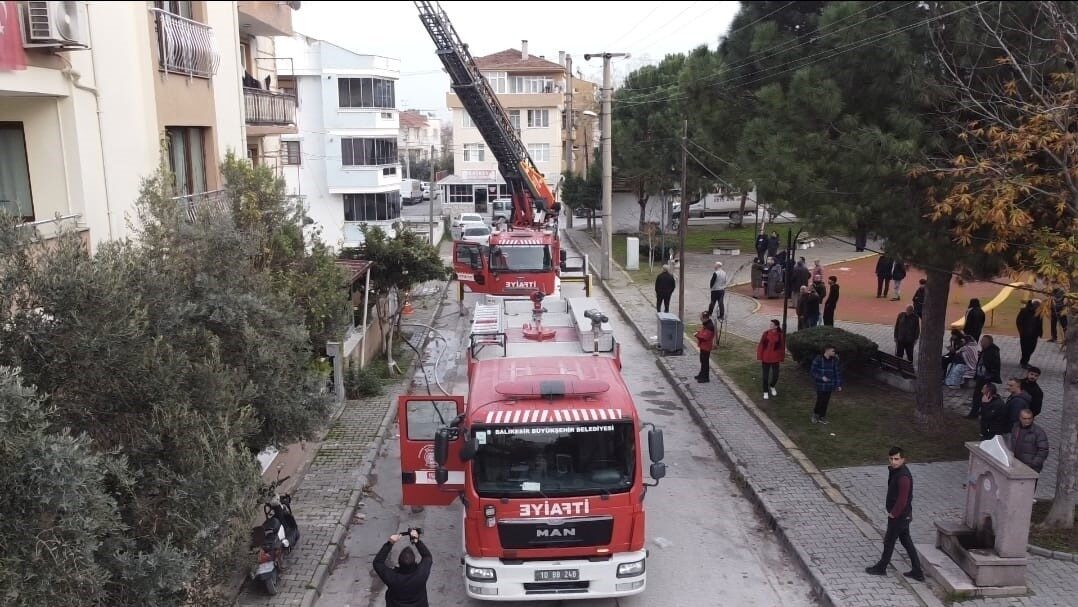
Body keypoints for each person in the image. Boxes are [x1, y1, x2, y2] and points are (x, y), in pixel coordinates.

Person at [865, 447, 925, 582]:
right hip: (904, 516)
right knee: (906, 541)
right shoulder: (896, 471)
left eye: (896, 459)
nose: (893, 462)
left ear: (903, 459)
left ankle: (881, 567)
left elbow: (902, 499)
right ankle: (917, 571)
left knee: (889, 541)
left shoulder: (903, 477)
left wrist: (893, 514)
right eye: (891, 459)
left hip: (899, 516)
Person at [373, 530, 433, 607]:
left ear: (399, 562)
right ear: (414, 561)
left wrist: (390, 543)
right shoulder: (421, 574)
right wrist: (417, 541)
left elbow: (377, 562)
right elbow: (427, 556)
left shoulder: (392, 578)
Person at [966, 335, 1002, 419]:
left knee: (978, 395)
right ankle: (978, 412)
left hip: (985, 378)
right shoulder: (987, 350)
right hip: (982, 377)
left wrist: (989, 375)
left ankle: (975, 413)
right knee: (979, 395)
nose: (981, 343)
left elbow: (992, 365)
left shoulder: (992, 352)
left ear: (988, 342)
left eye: (983, 341)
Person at [1008, 409, 1049, 473]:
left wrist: (1033, 464)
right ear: (1020, 418)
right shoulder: (1016, 427)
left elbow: (1043, 450)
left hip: (1030, 468)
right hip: (1016, 464)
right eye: (1024, 418)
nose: (1027, 421)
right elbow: (1012, 442)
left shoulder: (1038, 432)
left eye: (1029, 418)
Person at [810, 346, 843, 424]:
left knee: (826, 400)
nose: (834, 352)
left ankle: (822, 416)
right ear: (827, 350)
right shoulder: (818, 359)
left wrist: (838, 385)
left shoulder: (834, 360)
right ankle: (815, 415)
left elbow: (837, 373)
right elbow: (813, 372)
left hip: (829, 385)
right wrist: (821, 377)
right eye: (833, 351)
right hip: (820, 385)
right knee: (820, 400)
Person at [757, 319, 784, 400]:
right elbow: (761, 345)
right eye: (770, 324)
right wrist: (760, 356)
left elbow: (782, 347)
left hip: (775, 359)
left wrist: (781, 357)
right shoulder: (766, 333)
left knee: (776, 375)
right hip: (766, 358)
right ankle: (765, 391)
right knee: (765, 376)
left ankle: (772, 386)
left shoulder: (780, 335)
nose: (770, 325)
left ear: (776, 326)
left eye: (772, 324)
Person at [1016, 299, 1043, 368]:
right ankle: (1024, 362)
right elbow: (1018, 321)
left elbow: (1040, 323)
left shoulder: (1039, 312)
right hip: (1025, 334)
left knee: (1032, 348)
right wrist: (1021, 331)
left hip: (1034, 334)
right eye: (1037, 306)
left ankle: (1025, 361)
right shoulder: (1024, 311)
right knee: (1025, 349)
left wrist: (1040, 332)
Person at [694, 312, 716, 383]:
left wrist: (697, 335)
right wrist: (698, 333)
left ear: (705, 318)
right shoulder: (706, 324)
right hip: (703, 346)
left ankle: (705, 378)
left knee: (705, 362)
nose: (700, 319)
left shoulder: (709, 326)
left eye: (701, 318)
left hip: (706, 347)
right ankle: (701, 375)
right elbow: (703, 333)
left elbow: (705, 337)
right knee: (702, 361)